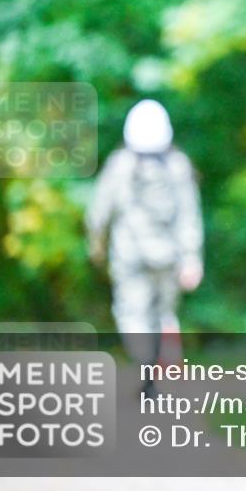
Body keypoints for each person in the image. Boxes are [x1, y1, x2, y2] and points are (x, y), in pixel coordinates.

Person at [87, 99, 204, 390]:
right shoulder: (177, 165)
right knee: (163, 313)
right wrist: (192, 258)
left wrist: (97, 246)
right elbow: (189, 213)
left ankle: (148, 369)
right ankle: (163, 355)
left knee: (133, 316)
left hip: (130, 257)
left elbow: (98, 213)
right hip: (169, 258)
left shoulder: (120, 165)